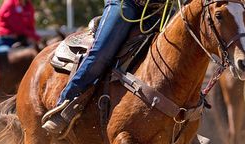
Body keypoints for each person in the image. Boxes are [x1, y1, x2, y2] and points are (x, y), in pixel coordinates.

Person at [41, 0, 163, 136]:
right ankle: (66, 104)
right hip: (126, 3)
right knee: (101, 54)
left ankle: (172, 123)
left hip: (158, 10)